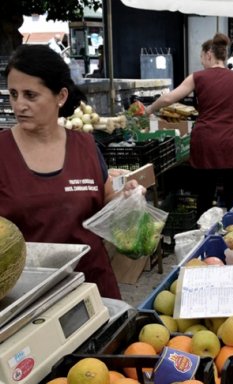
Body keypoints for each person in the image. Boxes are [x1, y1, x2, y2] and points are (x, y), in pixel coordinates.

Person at [0, 45, 142, 299]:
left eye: (30, 95)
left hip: (94, 287)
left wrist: (125, 198)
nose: (19, 105)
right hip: (28, 298)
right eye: (13, 94)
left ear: (61, 96)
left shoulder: (85, 145)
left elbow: (106, 198)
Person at [145, 33, 233, 216]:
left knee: (204, 198)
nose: (201, 62)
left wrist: (149, 109)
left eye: (202, 58)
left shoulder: (197, 77)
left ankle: (204, 238)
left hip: (207, 144)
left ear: (209, 54)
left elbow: (169, 98)